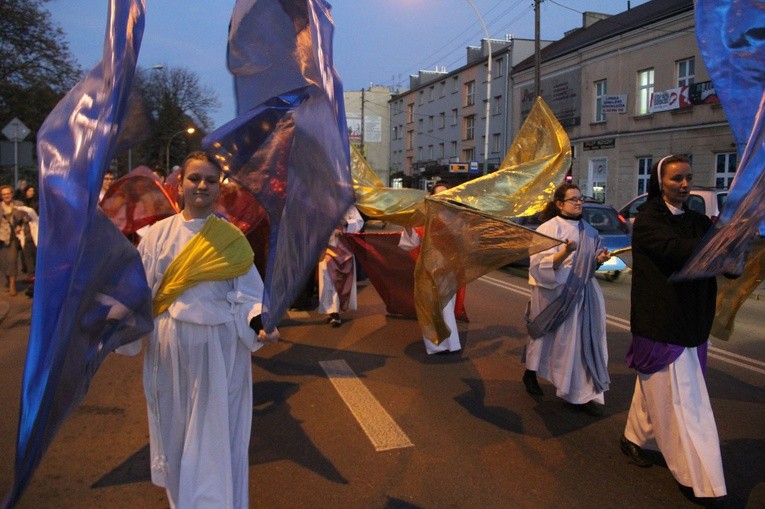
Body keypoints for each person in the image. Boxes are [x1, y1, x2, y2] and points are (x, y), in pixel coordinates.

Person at [124, 151, 279, 508]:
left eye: (210, 180)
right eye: (195, 178)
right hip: (170, 349)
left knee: (215, 440)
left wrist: (259, 323)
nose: (202, 186)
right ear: (180, 185)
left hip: (220, 352)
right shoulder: (156, 237)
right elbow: (137, 295)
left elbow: (248, 297)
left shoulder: (231, 239)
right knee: (175, 437)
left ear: (218, 188)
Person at [619, 155, 727, 502]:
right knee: (683, 405)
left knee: (658, 393)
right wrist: (720, 243)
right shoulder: (648, 219)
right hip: (662, 323)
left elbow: (721, 260)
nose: (684, 185)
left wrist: (734, 247)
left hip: (693, 319)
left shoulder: (698, 220)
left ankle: (633, 438)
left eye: (688, 178)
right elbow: (675, 251)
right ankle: (697, 477)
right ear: (659, 181)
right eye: (676, 178)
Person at [522, 183, 611, 416]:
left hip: (583, 295)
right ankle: (530, 373)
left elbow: (591, 264)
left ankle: (579, 393)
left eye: (581, 199)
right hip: (554, 294)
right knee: (545, 339)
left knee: (580, 345)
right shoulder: (548, 230)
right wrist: (564, 253)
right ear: (559, 203)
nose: (579, 202)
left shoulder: (590, 232)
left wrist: (600, 259)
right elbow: (538, 266)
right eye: (573, 199)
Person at [398, 182, 464, 354]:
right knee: (428, 307)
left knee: (446, 307)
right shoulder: (424, 219)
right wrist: (407, 225)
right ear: (432, 197)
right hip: (426, 270)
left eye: (445, 195)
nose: (442, 199)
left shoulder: (456, 219)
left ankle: (451, 343)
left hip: (448, 270)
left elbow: (464, 244)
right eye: (438, 195)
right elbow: (410, 243)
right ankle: (435, 345)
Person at [318, 204, 364, 326]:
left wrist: (346, 224)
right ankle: (331, 312)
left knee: (339, 280)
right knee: (327, 280)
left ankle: (336, 312)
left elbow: (359, 221)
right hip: (327, 248)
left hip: (344, 248)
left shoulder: (348, 204)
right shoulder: (321, 203)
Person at [1, 184, 29, 296]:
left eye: (8, 193)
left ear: (12, 194)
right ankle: (8, 281)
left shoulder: (19, 205)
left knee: (12, 261)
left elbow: (27, 218)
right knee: (3, 263)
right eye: (4, 194)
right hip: (1, 238)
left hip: (13, 238)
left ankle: (12, 285)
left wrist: (20, 224)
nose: (6, 196)